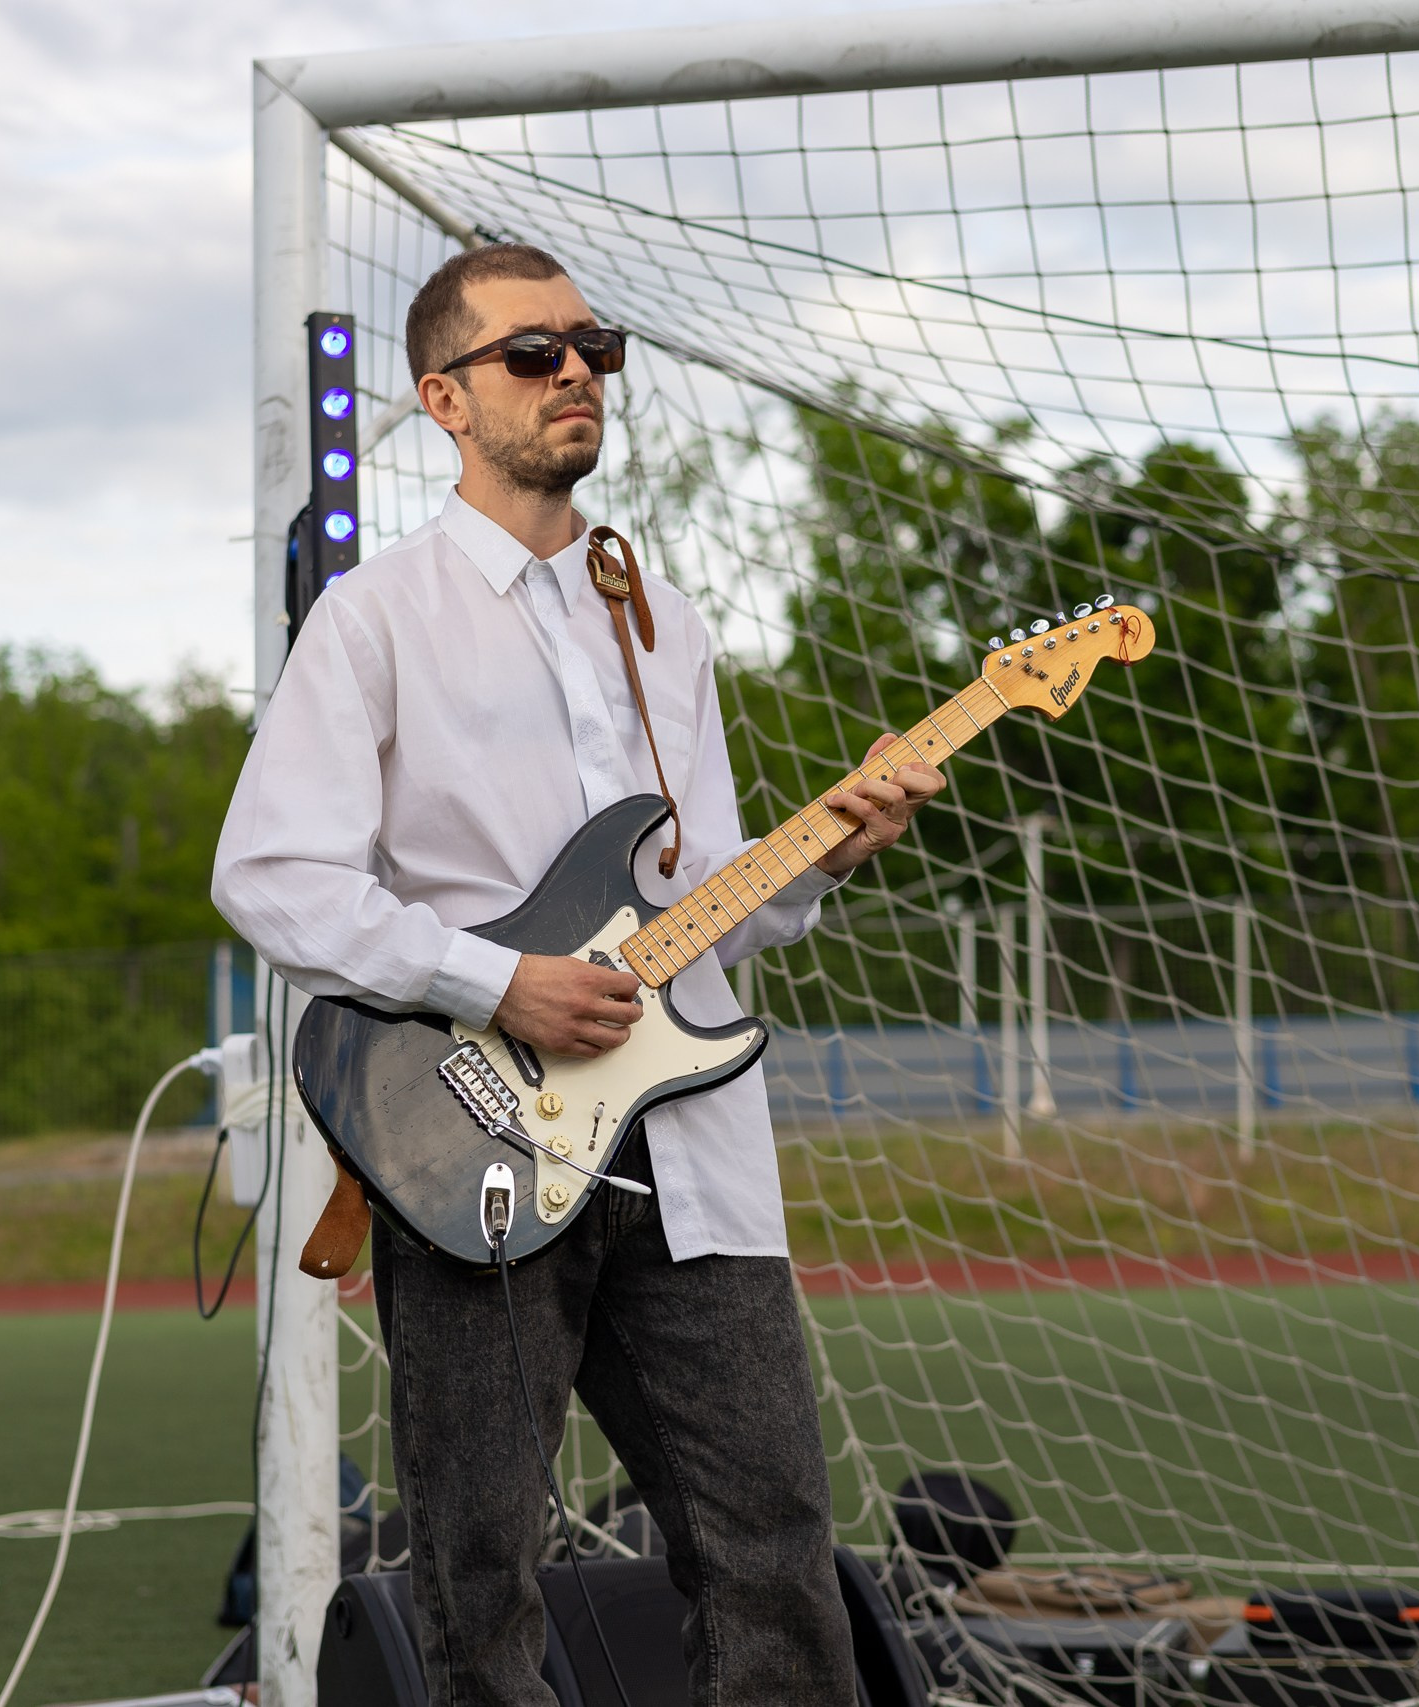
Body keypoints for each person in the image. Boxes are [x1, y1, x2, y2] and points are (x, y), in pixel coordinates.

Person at [211, 241, 944, 1707]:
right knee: (480, 1587)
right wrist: (497, 983)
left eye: (591, 348)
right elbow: (270, 876)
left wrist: (836, 852)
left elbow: (708, 904)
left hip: (692, 1153)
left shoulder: (660, 618)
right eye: (532, 353)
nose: (574, 376)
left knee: (776, 1560)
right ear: (443, 395)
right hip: (476, 1145)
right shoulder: (374, 619)